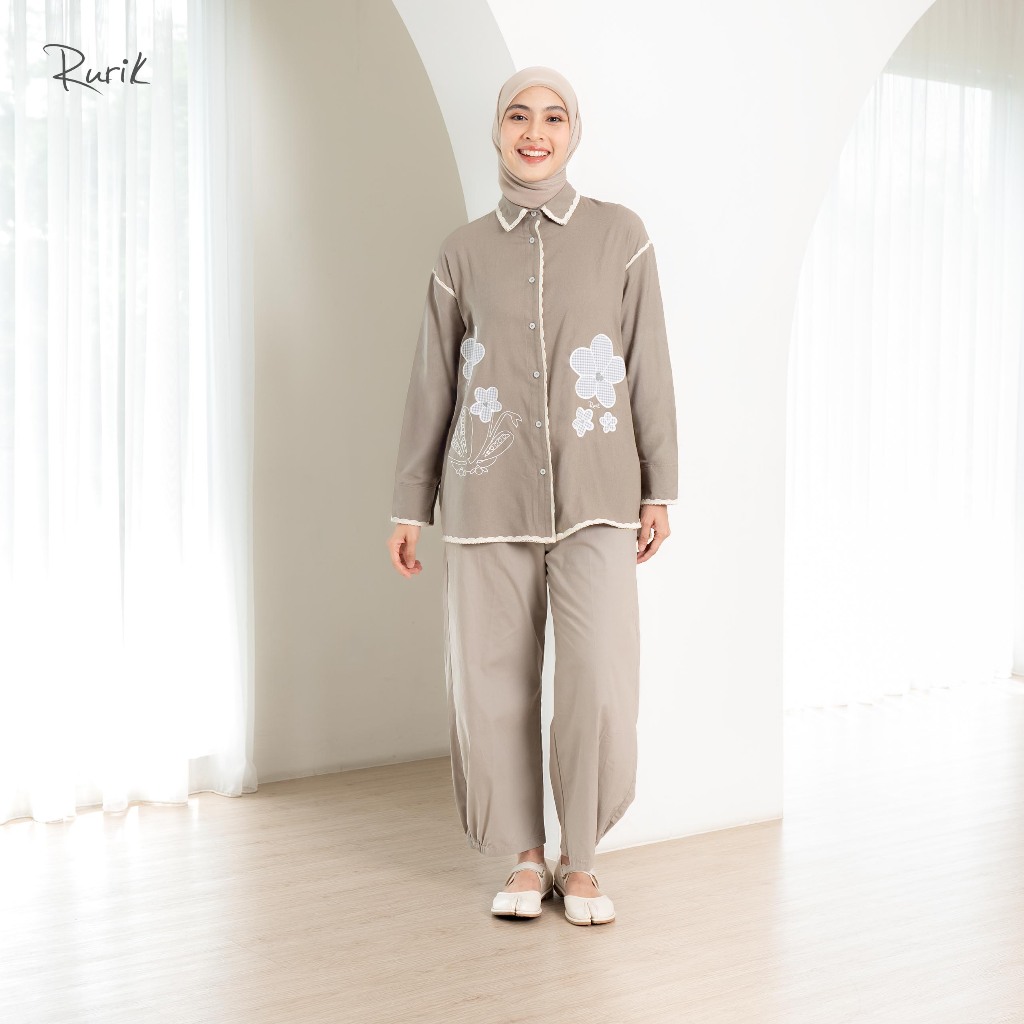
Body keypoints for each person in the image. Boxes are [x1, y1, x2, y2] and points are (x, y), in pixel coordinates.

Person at [385, 66, 678, 926]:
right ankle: (525, 855)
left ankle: (582, 861)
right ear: (499, 130)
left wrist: (660, 486)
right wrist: (410, 504)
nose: (535, 132)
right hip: (486, 498)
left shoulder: (622, 236)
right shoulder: (461, 252)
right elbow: (432, 384)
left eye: (553, 117)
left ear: (573, 132)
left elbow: (647, 363)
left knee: (597, 680)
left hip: (598, 494)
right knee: (494, 683)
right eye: (519, 116)